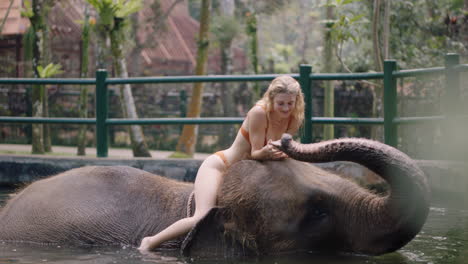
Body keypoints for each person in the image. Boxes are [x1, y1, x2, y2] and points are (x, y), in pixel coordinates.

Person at [138, 75, 305, 252]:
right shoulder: (259, 113)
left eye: (290, 103)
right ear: (271, 99)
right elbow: (256, 153)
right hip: (220, 166)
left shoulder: (294, 117)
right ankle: (150, 242)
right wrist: (272, 152)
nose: (286, 108)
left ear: (297, 100)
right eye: (281, 103)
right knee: (202, 216)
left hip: (246, 174)